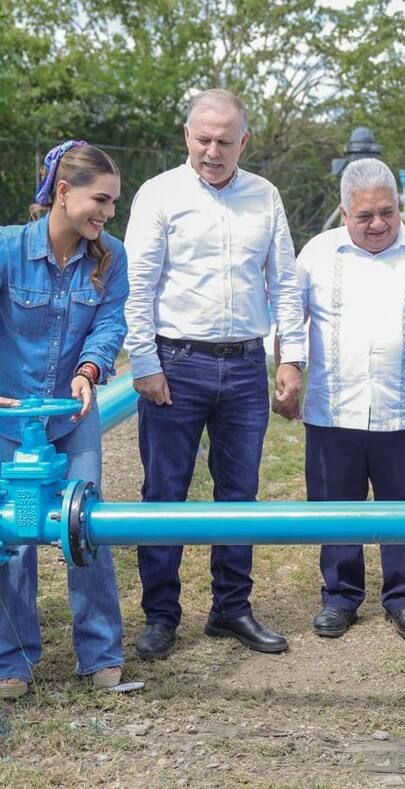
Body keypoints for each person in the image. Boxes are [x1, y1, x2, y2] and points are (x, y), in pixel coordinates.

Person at [0, 141, 128, 699]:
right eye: (100, 200)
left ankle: (101, 652)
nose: (107, 214)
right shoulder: (4, 250)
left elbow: (109, 326)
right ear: (64, 192)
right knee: (10, 528)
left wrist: (88, 370)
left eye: (113, 204)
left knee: (86, 521)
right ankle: (12, 660)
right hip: (8, 418)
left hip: (71, 414)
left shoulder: (110, 257)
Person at [123, 89, 306, 660]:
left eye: (225, 140)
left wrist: (291, 357)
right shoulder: (159, 195)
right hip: (176, 364)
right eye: (203, 138)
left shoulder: (264, 195)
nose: (213, 150)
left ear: (243, 141)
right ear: (186, 136)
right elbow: (137, 288)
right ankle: (160, 615)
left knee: (239, 493)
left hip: (247, 364)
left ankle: (231, 608)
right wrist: (145, 363)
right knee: (165, 494)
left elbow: (285, 282)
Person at [294, 158, 405, 641]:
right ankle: (340, 598)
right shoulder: (318, 254)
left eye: (387, 212)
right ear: (343, 211)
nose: (379, 224)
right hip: (332, 406)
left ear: (398, 205)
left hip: (401, 405)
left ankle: (403, 598)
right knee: (335, 505)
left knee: (401, 506)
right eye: (365, 216)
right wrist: (289, 370)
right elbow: (291, 316)